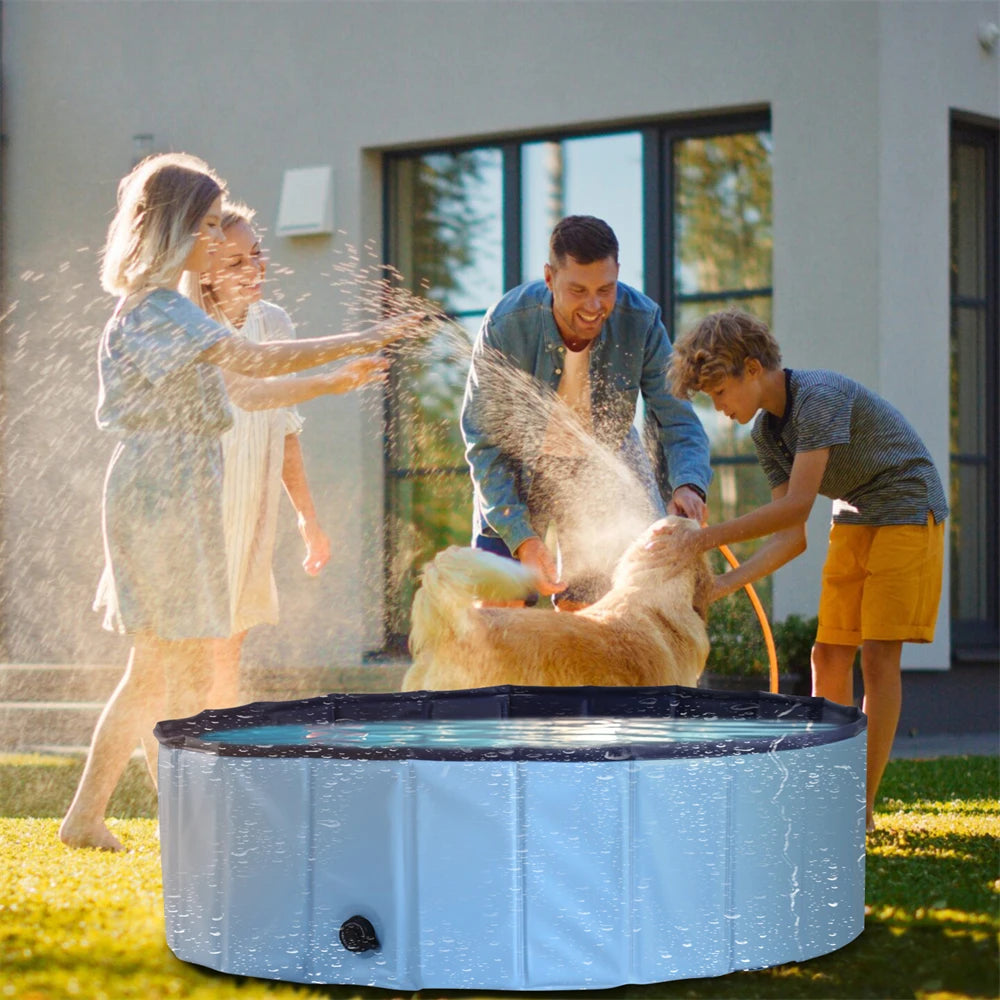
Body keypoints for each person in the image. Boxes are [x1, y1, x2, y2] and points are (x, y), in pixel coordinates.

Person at [60, 153, 418, 850]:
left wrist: (334, 379)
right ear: (179, 229)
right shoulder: (159, 309)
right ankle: (161, 818)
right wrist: (364, 336)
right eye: (212, 223)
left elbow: (243, 394)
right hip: (161, 495)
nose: (223, 238)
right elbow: (252, 363)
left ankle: (126, 816)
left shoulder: (168, 310)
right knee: (169, 665)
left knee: (167, 666)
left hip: (177, 489)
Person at [665, 308, 948, 832]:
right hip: (856, 511)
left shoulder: (819, 398)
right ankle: (831, 789)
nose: (719, 408)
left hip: (908, 504)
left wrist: (704, 539)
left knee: (880, 656)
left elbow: (795, 508)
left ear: (752, 369)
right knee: (827, 655)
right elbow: (791, 538)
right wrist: (721, 586)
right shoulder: (767, 435)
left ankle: (858, 804)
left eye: (720, 392)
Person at [460, 215, 711, 610]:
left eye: (605, 290)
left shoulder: (642, 321)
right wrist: (522, 538)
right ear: (549, 277)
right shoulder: (506, 325)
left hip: (597, 469)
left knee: (593, 615)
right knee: (499, 618)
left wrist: (688, 484)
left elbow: (676, 418)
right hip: (516, 469)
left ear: (618, 276)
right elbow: (483, 443)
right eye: (577, 290)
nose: (594, 306)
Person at [192, 201, 387, 708]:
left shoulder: (273, 322)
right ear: (204, 273)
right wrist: (330, 378)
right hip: (203, 505)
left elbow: (284, 429)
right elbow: (245, 391)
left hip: (251, 505)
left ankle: (216, 745)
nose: (254, 269)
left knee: (230, 641)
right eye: (235, 263)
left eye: (257, 256)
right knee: (199, 643)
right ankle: (189, 748)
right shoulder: (193, 327)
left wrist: (307, 518)